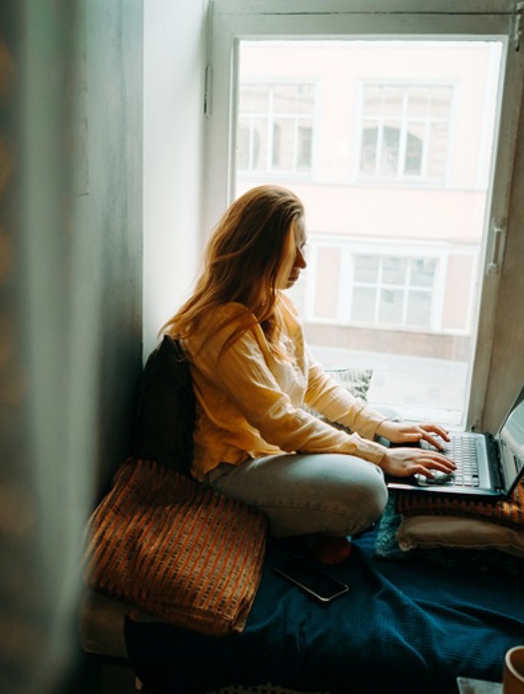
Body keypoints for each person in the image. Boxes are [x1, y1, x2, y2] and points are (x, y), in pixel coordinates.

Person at [162, 184, 456, 563]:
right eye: (291, 251)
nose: (302, 262)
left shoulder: (274, 302)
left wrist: (380, 426)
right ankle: (313, 525)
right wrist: (377, 457)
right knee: (368, 487)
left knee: (395, 424)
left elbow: (313, 380)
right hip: (235, 469)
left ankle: (320, 523)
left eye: (305, 246)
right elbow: (279, 423)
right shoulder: (219, 328)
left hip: (274, 450)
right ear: (260, 254)